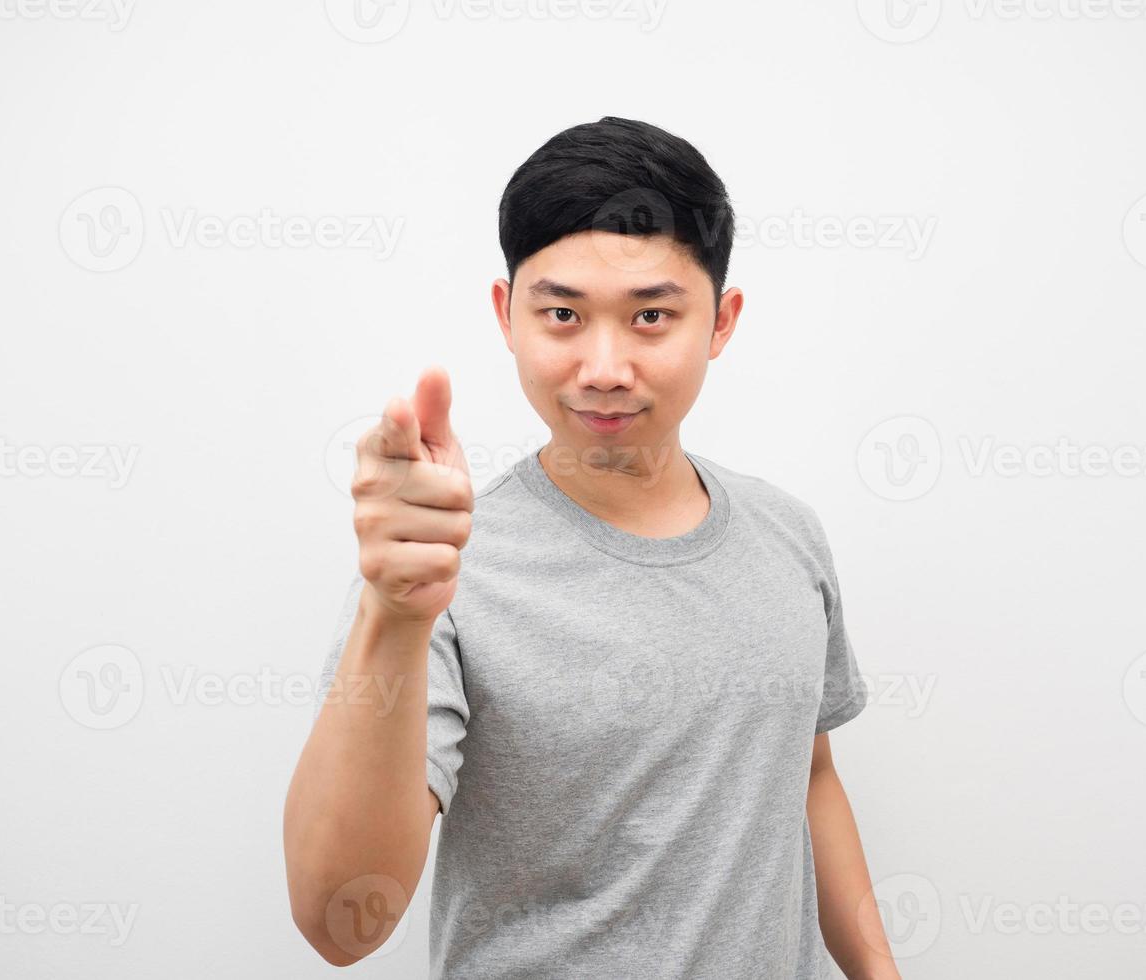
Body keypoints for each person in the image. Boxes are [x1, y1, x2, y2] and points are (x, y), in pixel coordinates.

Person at [283, 115, 900, 979]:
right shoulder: (444, 572)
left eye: (651, 315)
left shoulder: (788, 533)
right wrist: (391, 614)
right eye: (563, 314)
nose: (604, 365)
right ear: (507, 316)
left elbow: (807, 774)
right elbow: (338, 928)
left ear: (720, 322)